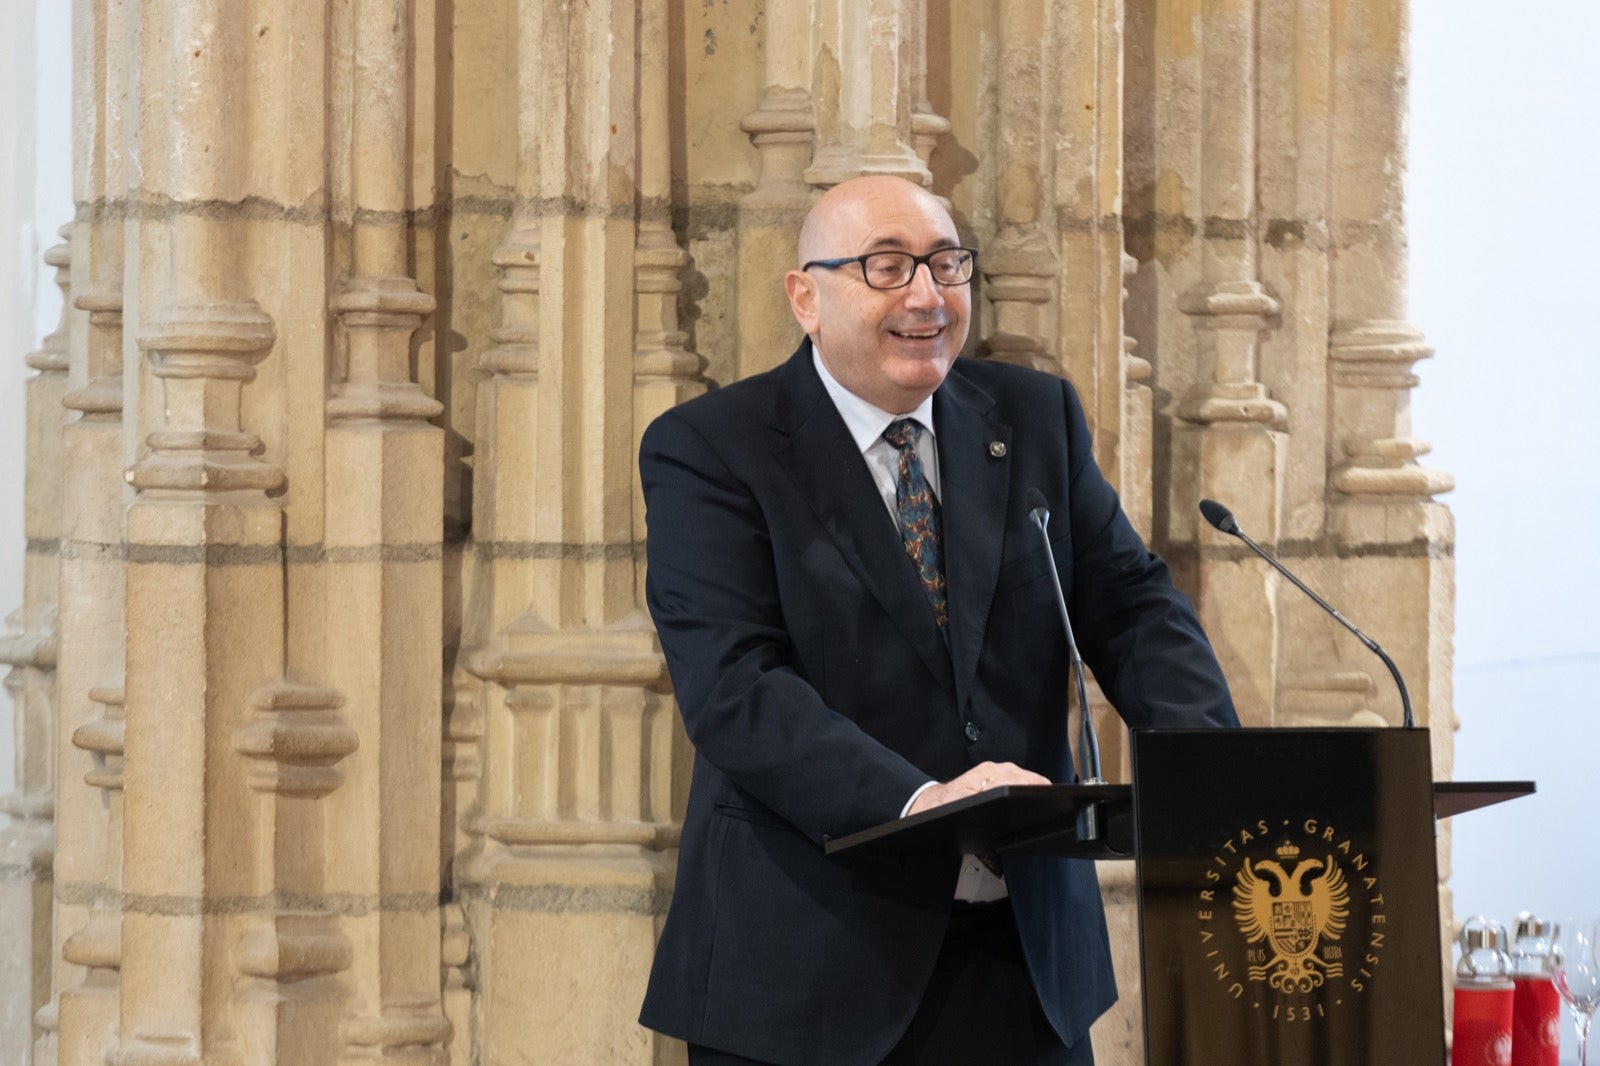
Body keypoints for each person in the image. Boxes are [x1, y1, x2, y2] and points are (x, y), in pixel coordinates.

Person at [637, 175, 1238, 1066]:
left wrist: (1210, 767)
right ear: (806, 296)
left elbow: (1131, 605)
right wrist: (922, 805)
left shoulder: (1035, 418)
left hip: (1026, 965)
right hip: (813, 969)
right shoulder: (712, 448)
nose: (926, 296)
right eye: (887, 267)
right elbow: (737, 689)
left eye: (946, 264)